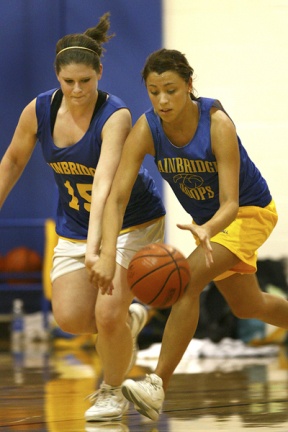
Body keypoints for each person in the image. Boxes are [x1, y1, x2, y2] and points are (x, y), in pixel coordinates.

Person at [88, 48, 288, 421]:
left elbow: (230, 203)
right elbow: (116, 198)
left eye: (171, 90)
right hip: (210, 227)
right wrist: (105, 251)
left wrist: (206, 230)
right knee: (249, 306)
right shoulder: (147, 129)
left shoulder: (216, 124)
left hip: (247, 214)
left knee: (185, 283)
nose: (162, 100)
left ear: (189, 86)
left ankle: (157, 385)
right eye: (153, 91)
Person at [0, 14, 165, 422]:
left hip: (129, 220)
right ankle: (128, 318)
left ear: (100, 74)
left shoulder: (116, 115)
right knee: (72, 318)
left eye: (86, 81)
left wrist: (98, 250)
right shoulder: (37, 111)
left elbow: (107, 189)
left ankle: (111, 391)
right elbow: (12, 162)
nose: (77, 90)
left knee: (105, 314)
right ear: (56, 76)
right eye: (69, 81)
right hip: (75, 223)